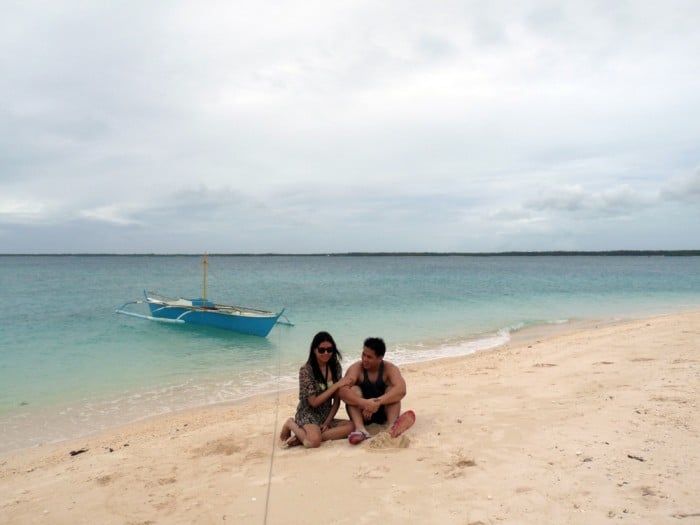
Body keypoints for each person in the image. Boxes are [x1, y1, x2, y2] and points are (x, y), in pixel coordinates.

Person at [279, 331, 355, 448]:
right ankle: (291, 423)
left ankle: (302, 437)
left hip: (325, 414)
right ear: (314, 350)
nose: (326, 353)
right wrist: (337, 385)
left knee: (351, 426)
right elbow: (313, 402)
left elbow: (336, 401)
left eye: (329, 350)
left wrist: (327, 423)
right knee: (313, 442)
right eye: (321, 350)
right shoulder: (306, 371)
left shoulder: (335, 367)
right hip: (308, 413)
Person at [339, 337, 416, 445]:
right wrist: (365, 403)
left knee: (392, 390)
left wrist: (377, 402)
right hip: (362, 415)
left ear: (380, 358)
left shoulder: (389, 368)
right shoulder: (356, 368)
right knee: (353, 390)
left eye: (369, 357)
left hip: (383, 413)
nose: (364, 359)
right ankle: (360, 429)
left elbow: (402, 389)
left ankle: (391, 427)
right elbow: (342, 392)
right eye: (363, 354)